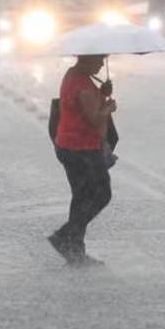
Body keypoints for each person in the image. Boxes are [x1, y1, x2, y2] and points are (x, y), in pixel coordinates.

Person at [48, 54, 116, 267]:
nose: (101, 64)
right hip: (82, 149)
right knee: (101, 194)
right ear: (86, 59)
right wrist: (108, 108)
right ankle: (65, 236)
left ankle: (75, 252)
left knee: (81, 198)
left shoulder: (73, 75)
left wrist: (102, 93)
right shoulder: (83, 85)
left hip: (68, 145)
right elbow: (94, 118)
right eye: (98, 60)